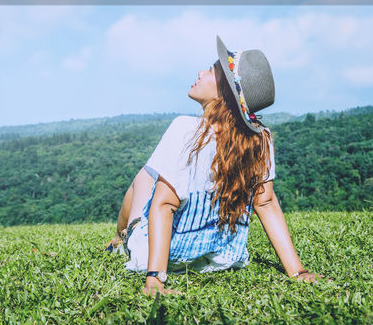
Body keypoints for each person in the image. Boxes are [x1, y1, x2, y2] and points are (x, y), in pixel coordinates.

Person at [106, 36, 326, 295]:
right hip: (223, 258)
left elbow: (164, 205)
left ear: (224, 94)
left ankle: (123, 237)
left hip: (167, 257)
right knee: (153, 176)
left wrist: (154, 278)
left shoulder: (184, 129)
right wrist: (297, 272)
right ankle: (123, 237)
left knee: (146, 175)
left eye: (211, 71)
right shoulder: (260, 139)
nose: (201, 72)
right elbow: (265, 203)